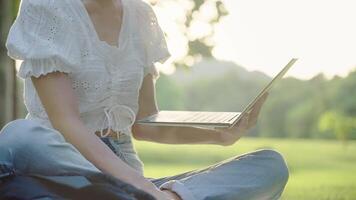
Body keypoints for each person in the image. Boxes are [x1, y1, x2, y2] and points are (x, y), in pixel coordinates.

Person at [1, 0, 289, 199]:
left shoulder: (140, 16)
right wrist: (147, 190)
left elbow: (143, 124)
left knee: (270, 165)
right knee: (20, 135)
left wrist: (222, 136)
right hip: (59, 162)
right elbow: (66, 122)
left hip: (127, 183)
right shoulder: (47, 7)